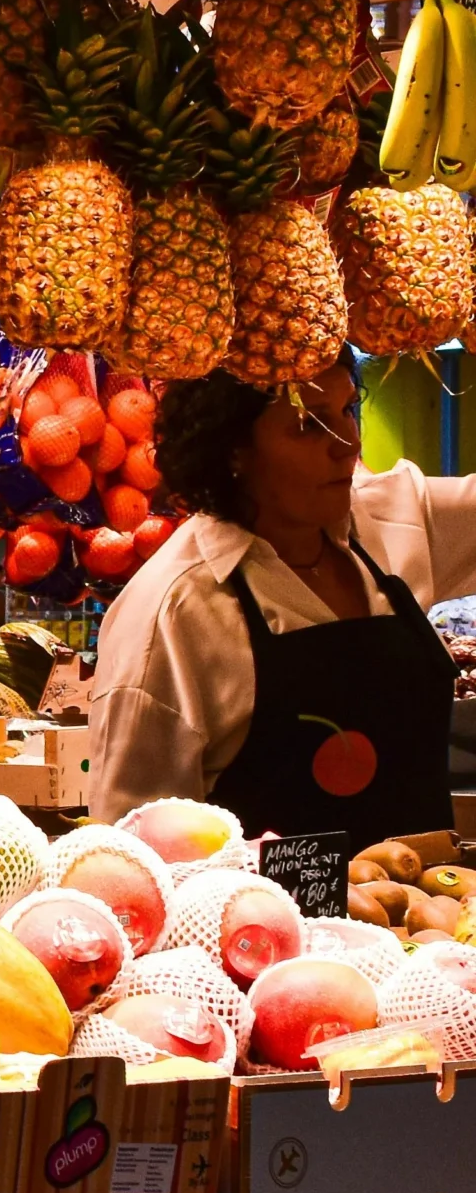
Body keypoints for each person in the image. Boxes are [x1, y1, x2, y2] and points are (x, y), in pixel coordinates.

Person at [87, 359, 476, 842]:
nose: (347, 443)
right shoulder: (174, 610)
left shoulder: (391, 520)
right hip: (264, 916)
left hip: (427, 908)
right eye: (308, 424)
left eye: (348, 410)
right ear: (233, 448)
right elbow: (129, 845)